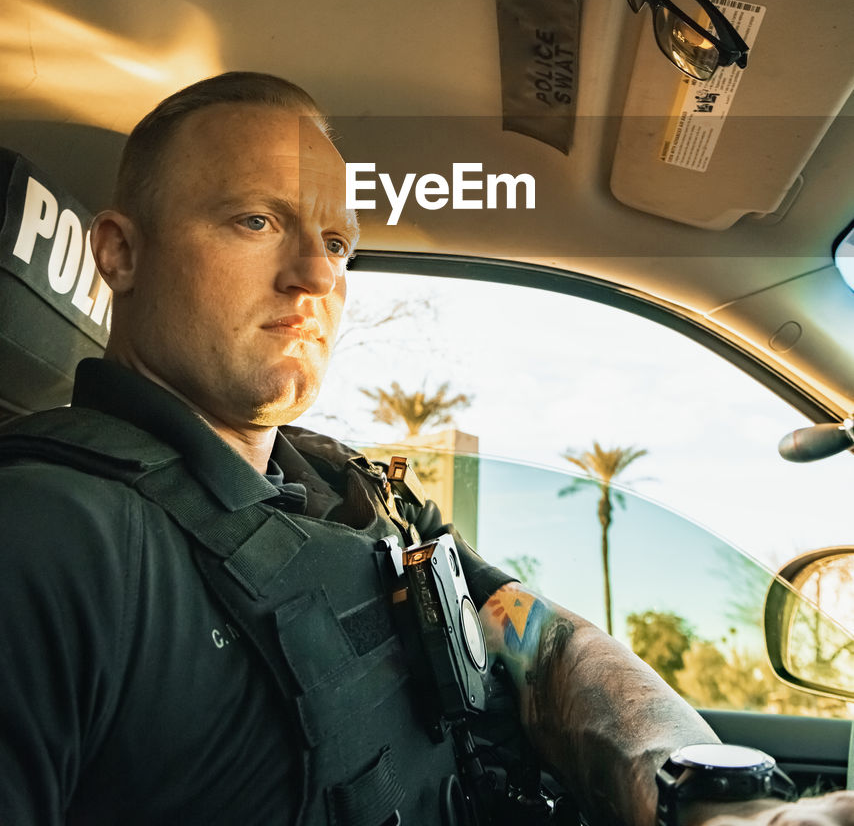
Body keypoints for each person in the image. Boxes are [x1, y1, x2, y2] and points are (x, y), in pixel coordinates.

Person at [0, 71, 851, 826]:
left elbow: (546, 648)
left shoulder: (352, 490)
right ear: (119, 253)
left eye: (337, 244)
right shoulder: (52, 539)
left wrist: (713, 802)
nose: (318, 275)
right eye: (256, 221)